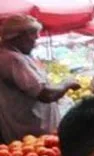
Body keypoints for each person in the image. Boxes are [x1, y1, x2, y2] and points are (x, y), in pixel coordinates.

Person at [0, 15, 79, 143]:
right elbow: (46, 94)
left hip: (34, 134)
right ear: (20, 36)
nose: (37, 38)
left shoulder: (16, 56)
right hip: (31, 135)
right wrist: (66, 84)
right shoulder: (13, 60)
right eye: (34, 34)